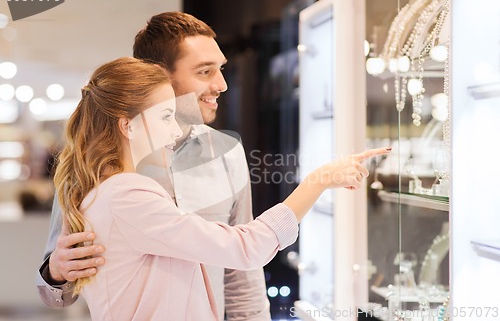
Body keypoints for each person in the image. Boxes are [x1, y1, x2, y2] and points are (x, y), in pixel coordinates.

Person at [53, 56, 390, 320]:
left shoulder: (108, 190)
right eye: (166, 117)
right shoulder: (127, 194)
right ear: (128, 126)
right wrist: (318, 181)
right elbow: (245, 248)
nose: (174, 132)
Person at [37, 11, 270, 320]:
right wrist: (56, 271)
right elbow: (55, 294)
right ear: (160, 73)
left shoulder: (227, 152)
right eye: (205, 72)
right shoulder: (95, 163)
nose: (222, 84)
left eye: (221, 69)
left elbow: (242, 276)